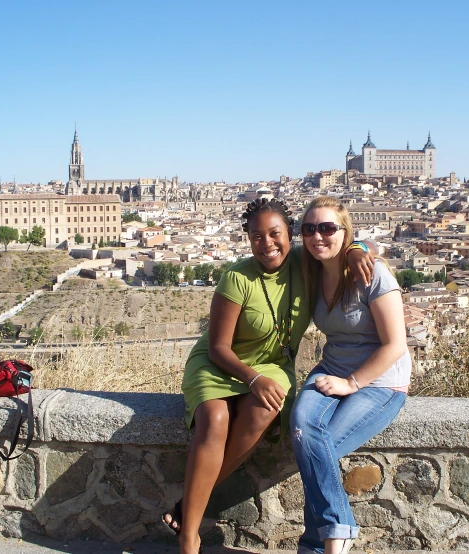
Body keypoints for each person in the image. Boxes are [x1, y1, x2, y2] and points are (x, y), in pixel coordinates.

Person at [163, 198, 373, 554]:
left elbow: (335, 242)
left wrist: (356, 249)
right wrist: (252, 379)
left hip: (274, 364)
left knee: (264, 410)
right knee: (214, 420)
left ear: (289, 234)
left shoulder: (303, 263)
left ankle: (188, 507)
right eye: (256, 236)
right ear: (248, 239)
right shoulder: (237, 277)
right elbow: (218, 348)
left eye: (274, 234)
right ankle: (189, 537)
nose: (267, 243)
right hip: (221, 364)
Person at [291, 196, 411, 554]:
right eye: (310, 229)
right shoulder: (309, 268)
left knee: (317, 450)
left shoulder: (371, 274)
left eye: (328, 228)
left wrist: (352, 383)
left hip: (380, 381)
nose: (318, 236)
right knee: (301, 425)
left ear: (344, 232)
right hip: (332, 368)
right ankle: (336, 532)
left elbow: (395, 345)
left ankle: (319, 543)